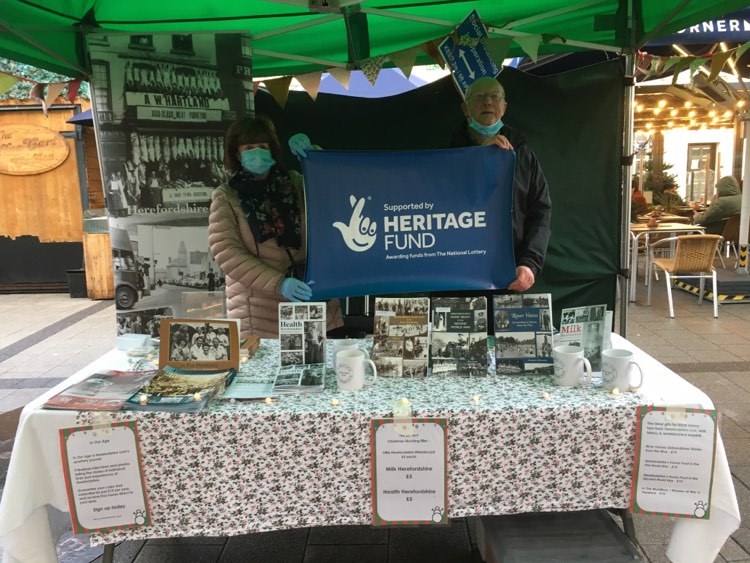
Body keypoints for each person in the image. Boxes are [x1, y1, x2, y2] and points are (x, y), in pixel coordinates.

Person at [209, 115, 343, 338]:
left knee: (316, 368)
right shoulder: (226, 196)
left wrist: (313, 156)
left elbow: (332, 190)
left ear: (272, 149)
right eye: (249, 147)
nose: (258, 153)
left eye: (263, 146)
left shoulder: (296, 182)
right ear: (236, 153)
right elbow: (226, 253)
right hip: (258, 311)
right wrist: (278, 283)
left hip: (309, 298)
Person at [450, 77, 552, 292]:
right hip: (459, 277)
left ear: (504, 107)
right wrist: (481, 159)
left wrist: (530, 264)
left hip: (511, 276)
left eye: (494, 97)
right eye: (479, 97)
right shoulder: (446, 154)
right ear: (464, 107)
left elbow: (540, 212)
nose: (487, 102)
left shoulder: (523, 155)